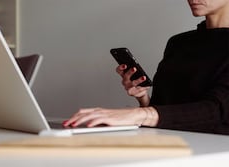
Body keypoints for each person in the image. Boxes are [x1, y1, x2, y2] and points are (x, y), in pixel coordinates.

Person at [63, 0, 229, 135]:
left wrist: (138, 115)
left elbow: (216, 110)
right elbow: (164, 110)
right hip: (164, 144)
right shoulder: (178, 43)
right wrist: (143, 98)